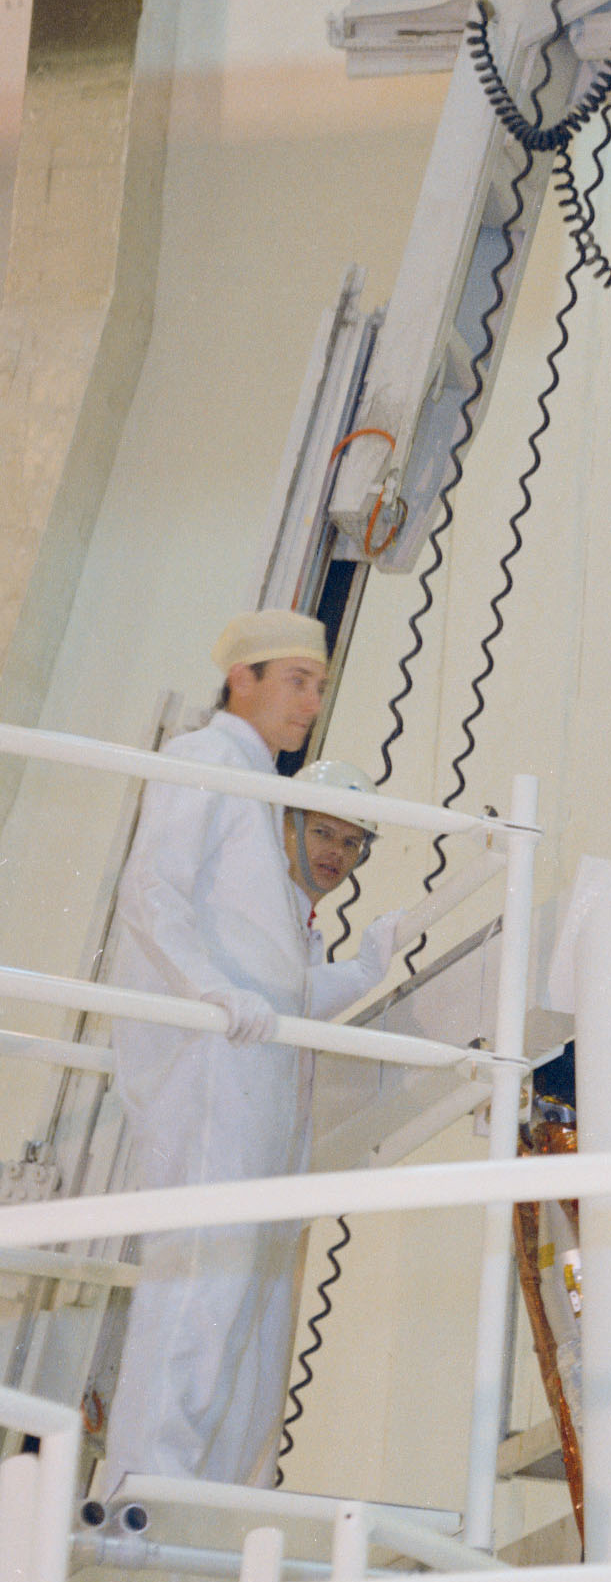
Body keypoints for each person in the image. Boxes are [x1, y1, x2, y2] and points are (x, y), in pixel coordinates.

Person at [94, 633, 402, 1513]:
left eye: (319, 686)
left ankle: (204, 1512)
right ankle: (142, 1500)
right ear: (245, 677)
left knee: (248, 1319)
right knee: (201, 1292)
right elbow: (151, 888)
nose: (309, 702)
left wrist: (374, 961)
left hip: (253, 1074)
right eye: (298, 682)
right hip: (215, 1067)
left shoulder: (262, 835)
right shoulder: (207, 760)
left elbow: (286, 992)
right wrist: (211, 993)